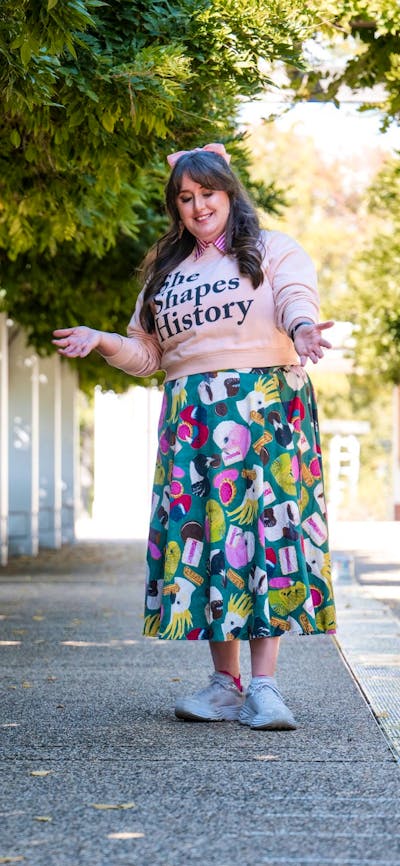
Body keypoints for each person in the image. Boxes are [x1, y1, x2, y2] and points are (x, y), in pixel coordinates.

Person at [53, 142, 336, 731]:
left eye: (208, 193)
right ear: (175, 206)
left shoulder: (273, 249)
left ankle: (265, 687)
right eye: (186, 198)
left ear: (229, 194)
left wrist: (304, 329)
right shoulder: (167, 271)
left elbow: (294, 299)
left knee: (262, 538)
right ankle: (225, 685)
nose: (198, 206)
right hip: (193, 419)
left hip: (265, 412)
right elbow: (147, 353)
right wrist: (102, 340)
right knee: (210, 540)